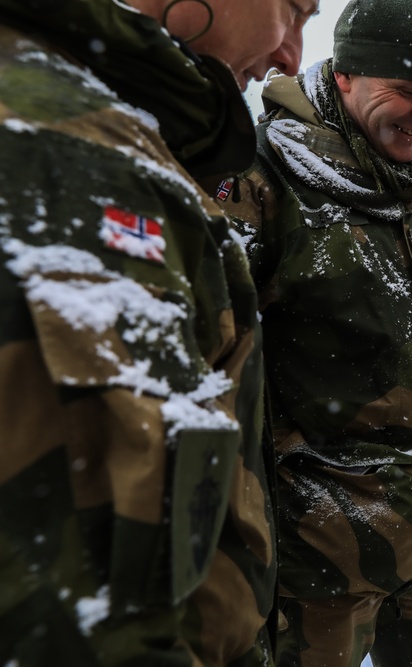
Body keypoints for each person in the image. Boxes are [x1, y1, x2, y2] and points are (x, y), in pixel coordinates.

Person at [0, 0, 316, 664]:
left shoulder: (122, 136)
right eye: (296, 10)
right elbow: (75, 613)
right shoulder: (66, 150)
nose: (292, 55)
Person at [217, 1, 412, 665]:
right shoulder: (263, 180)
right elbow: (218, 378)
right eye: (408, 91)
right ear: (344, 77)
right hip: (319, 561)